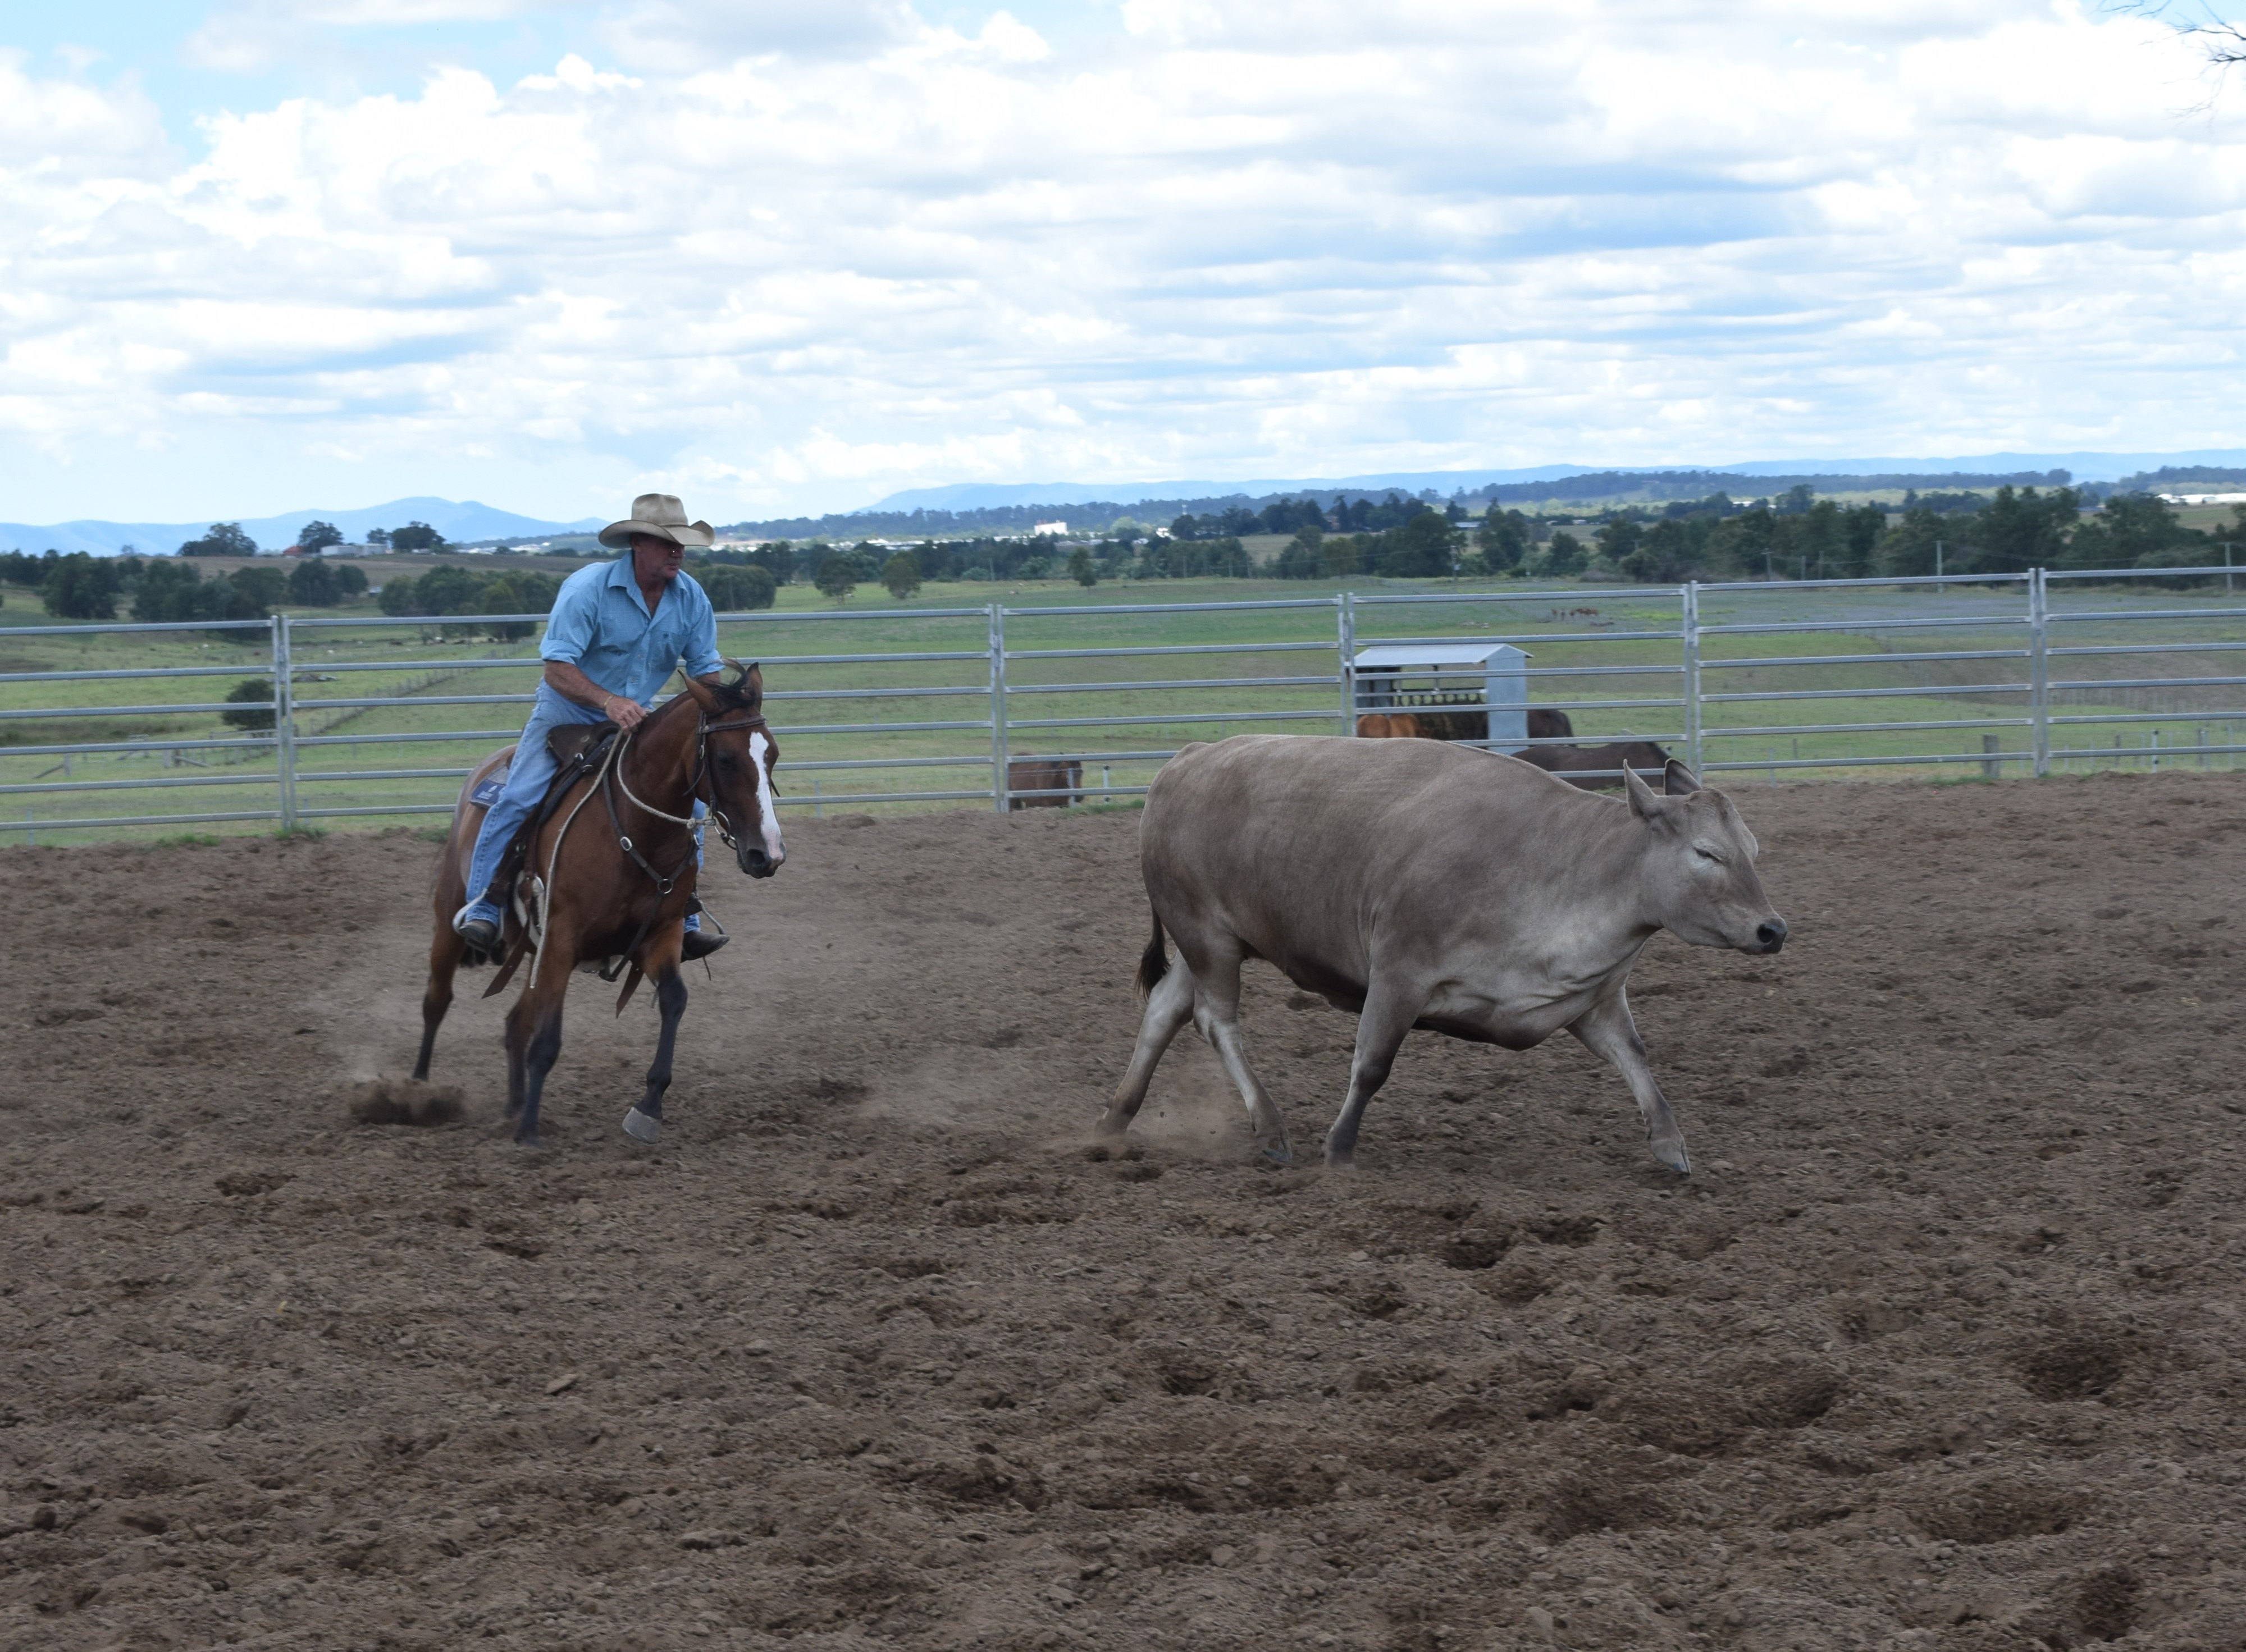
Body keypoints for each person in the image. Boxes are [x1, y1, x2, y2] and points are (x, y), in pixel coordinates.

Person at [454, 492, 728, 962]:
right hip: (567, 713)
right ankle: (485, 905)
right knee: (521, 795)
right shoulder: (588, 589)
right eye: (667, 542)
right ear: (638, 543)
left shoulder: (691, 598)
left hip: (635, 716)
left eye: (681, 543)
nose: (678, 551)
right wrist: (607, 701)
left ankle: (684, 914)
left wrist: (714, 708)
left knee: (689, 805)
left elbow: (705, 669)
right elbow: (557, 668)